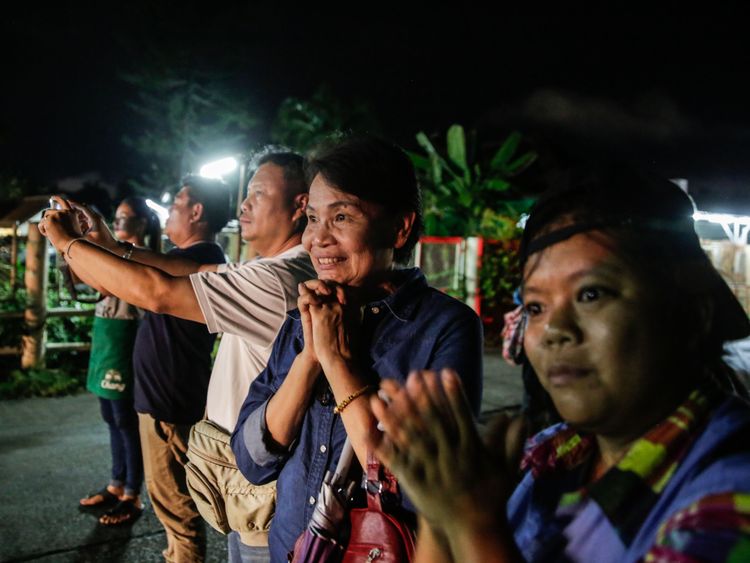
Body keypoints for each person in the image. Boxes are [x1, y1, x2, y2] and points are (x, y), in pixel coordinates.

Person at [369, 165, 750, 562]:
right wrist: (439, 508)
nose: (554, 329)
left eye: (591, 294)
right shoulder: (553, 453)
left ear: (692, 311)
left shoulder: (730, 495)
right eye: (535, 306)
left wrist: (472, 522)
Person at [40, 152, 314, 561]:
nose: (244, 206)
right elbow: (180, 271)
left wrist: (68, 243)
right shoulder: (270, 270)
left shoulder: (279, 280)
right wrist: (111, 246)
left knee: (186, 521)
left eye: (257, 193)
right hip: (249, 473)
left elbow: (159, 290)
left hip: (260, 481)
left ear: (300, 205)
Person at [230, 136, 484, 562]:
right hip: (291, 552)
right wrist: (310, 356)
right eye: (312, 218)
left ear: (400, 227)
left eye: (342, 216)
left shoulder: (445, 328)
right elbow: (253, 461)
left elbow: (423, 485)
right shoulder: (306, 316)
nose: (318, 238)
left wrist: (336, 360)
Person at [43, 175, 230, 562]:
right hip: (164, 398)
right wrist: (91, 243)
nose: (170, 211)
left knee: (178, 509)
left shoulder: (196, 257)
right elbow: (112, 276)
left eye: (176, 203)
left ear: (196, 211)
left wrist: (69, 243)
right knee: (171, 507)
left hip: (170, 403)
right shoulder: (181, 258)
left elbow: (126, 283)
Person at [78, 196, 160, 526]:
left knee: (126, 420)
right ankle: (116, 483)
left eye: (127, 217)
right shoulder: (111, 251)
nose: (119, 222)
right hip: (107, 337)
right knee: (111, 417)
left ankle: (132, 493)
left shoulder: (142, 257)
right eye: (117, 217)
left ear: (142, 222)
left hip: (128, 337)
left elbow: (107, 284)